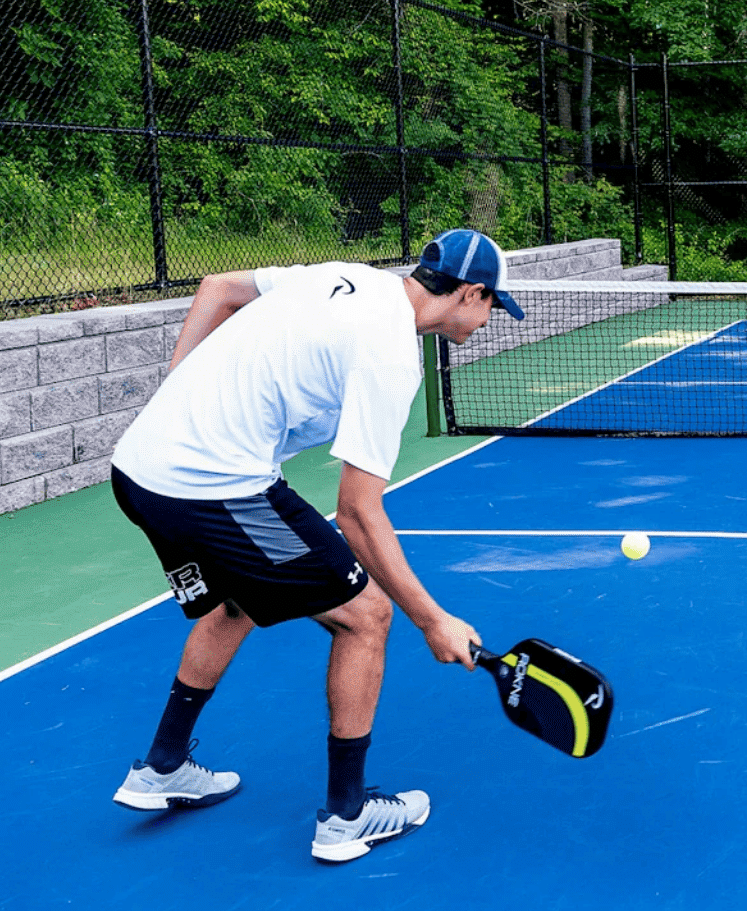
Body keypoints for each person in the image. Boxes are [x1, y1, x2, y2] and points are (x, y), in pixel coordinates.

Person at [106, 229, 521, 863]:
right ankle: (346, 816)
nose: (490, 321)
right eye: (492, 306)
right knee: (366, 616)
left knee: (237, 602)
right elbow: (357, 510)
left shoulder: (346, 274)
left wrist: (175, 396)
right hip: (215, 488)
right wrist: (433, 620)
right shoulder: (390, 354)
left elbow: (217, 289)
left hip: (139, 469)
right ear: (470, 292)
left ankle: (162, 767)